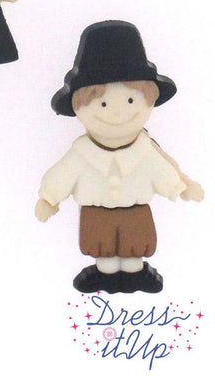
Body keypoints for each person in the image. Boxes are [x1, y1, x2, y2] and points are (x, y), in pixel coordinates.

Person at [35, 20, 203, 293]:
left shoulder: (145, 150)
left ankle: (135, 273)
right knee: (101, 245)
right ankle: (106, 274)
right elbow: (63, 174)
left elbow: (162, 171)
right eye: (102, 103)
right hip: (97, 212)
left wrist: (180, 187)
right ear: (78, 106)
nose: (116, 112)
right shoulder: (82, 153)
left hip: (135, 210)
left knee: (135, 245)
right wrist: (49, 198)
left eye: (130, 100)